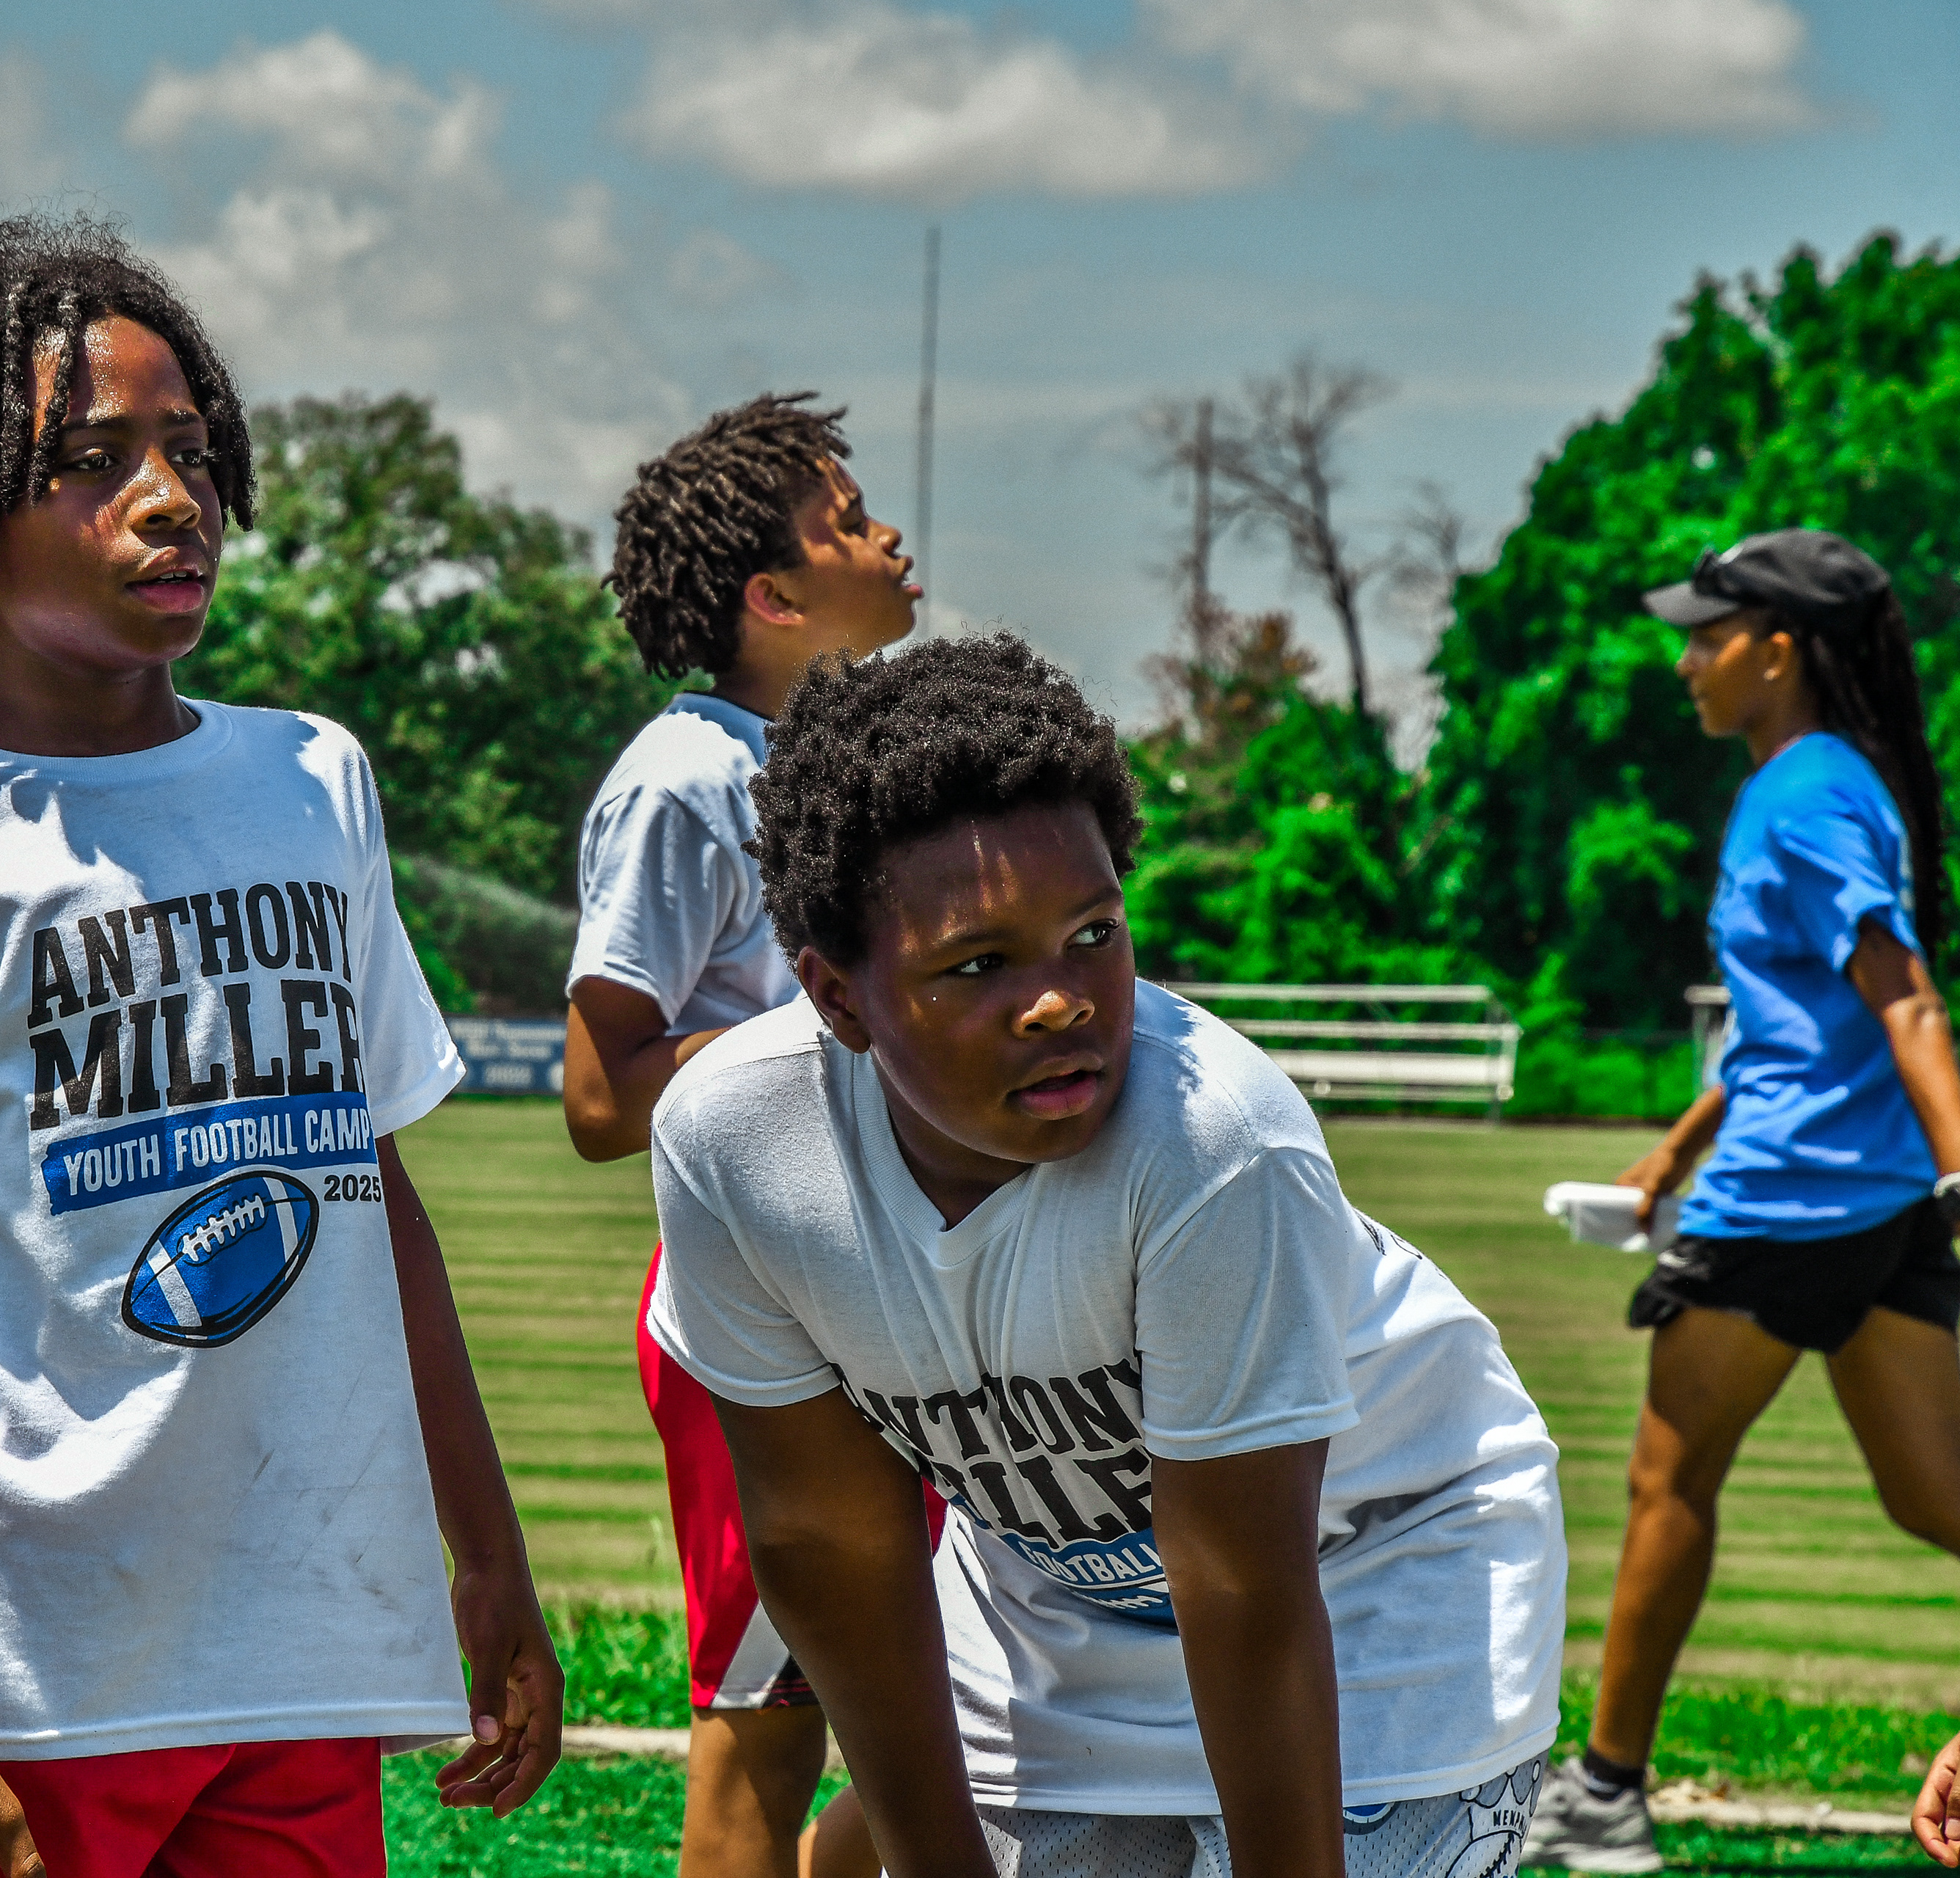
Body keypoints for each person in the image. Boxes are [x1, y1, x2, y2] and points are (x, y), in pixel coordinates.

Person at [0, 216, 561, 1878]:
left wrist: (485, 1551)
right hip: (25, 1667)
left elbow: (378, 1203)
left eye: (189, 449)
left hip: (298, 1643)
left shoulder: (311, 780)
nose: (172, 499)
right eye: (92, 463)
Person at [643, 632, 1568, 1878]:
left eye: (1093, 932)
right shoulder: (738, 1142)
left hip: (1375, 1580)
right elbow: (830, 1540)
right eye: (979, 964)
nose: (1060, 999)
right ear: (837, 994)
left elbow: (1241, 1587)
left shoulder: (1212, 1146)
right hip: (1058, 1611)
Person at [1525, 530, 1960, 1874]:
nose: (1686, 663)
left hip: (1789, 1204)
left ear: (1779, 649)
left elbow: (1904, 999)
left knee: (1669, 1483)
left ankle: (1603, 1797)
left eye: (1708, 638)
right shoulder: (1836, 782)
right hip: (1872, 1200)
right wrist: (1668, 1158)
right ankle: (1603, 1793)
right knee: (1937, 1498)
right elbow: (1801, 1028)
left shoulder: (1805, 794)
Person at [561, 393, 919, 1878]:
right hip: (766, 1313)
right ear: (773, 596)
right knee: (773, 1716)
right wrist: (853, 1027)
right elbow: (601, 1094)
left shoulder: (851, 759)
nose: (890, 538)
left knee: (962, 1699)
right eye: (848, 521)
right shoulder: (687, 776)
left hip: (898, 1292)